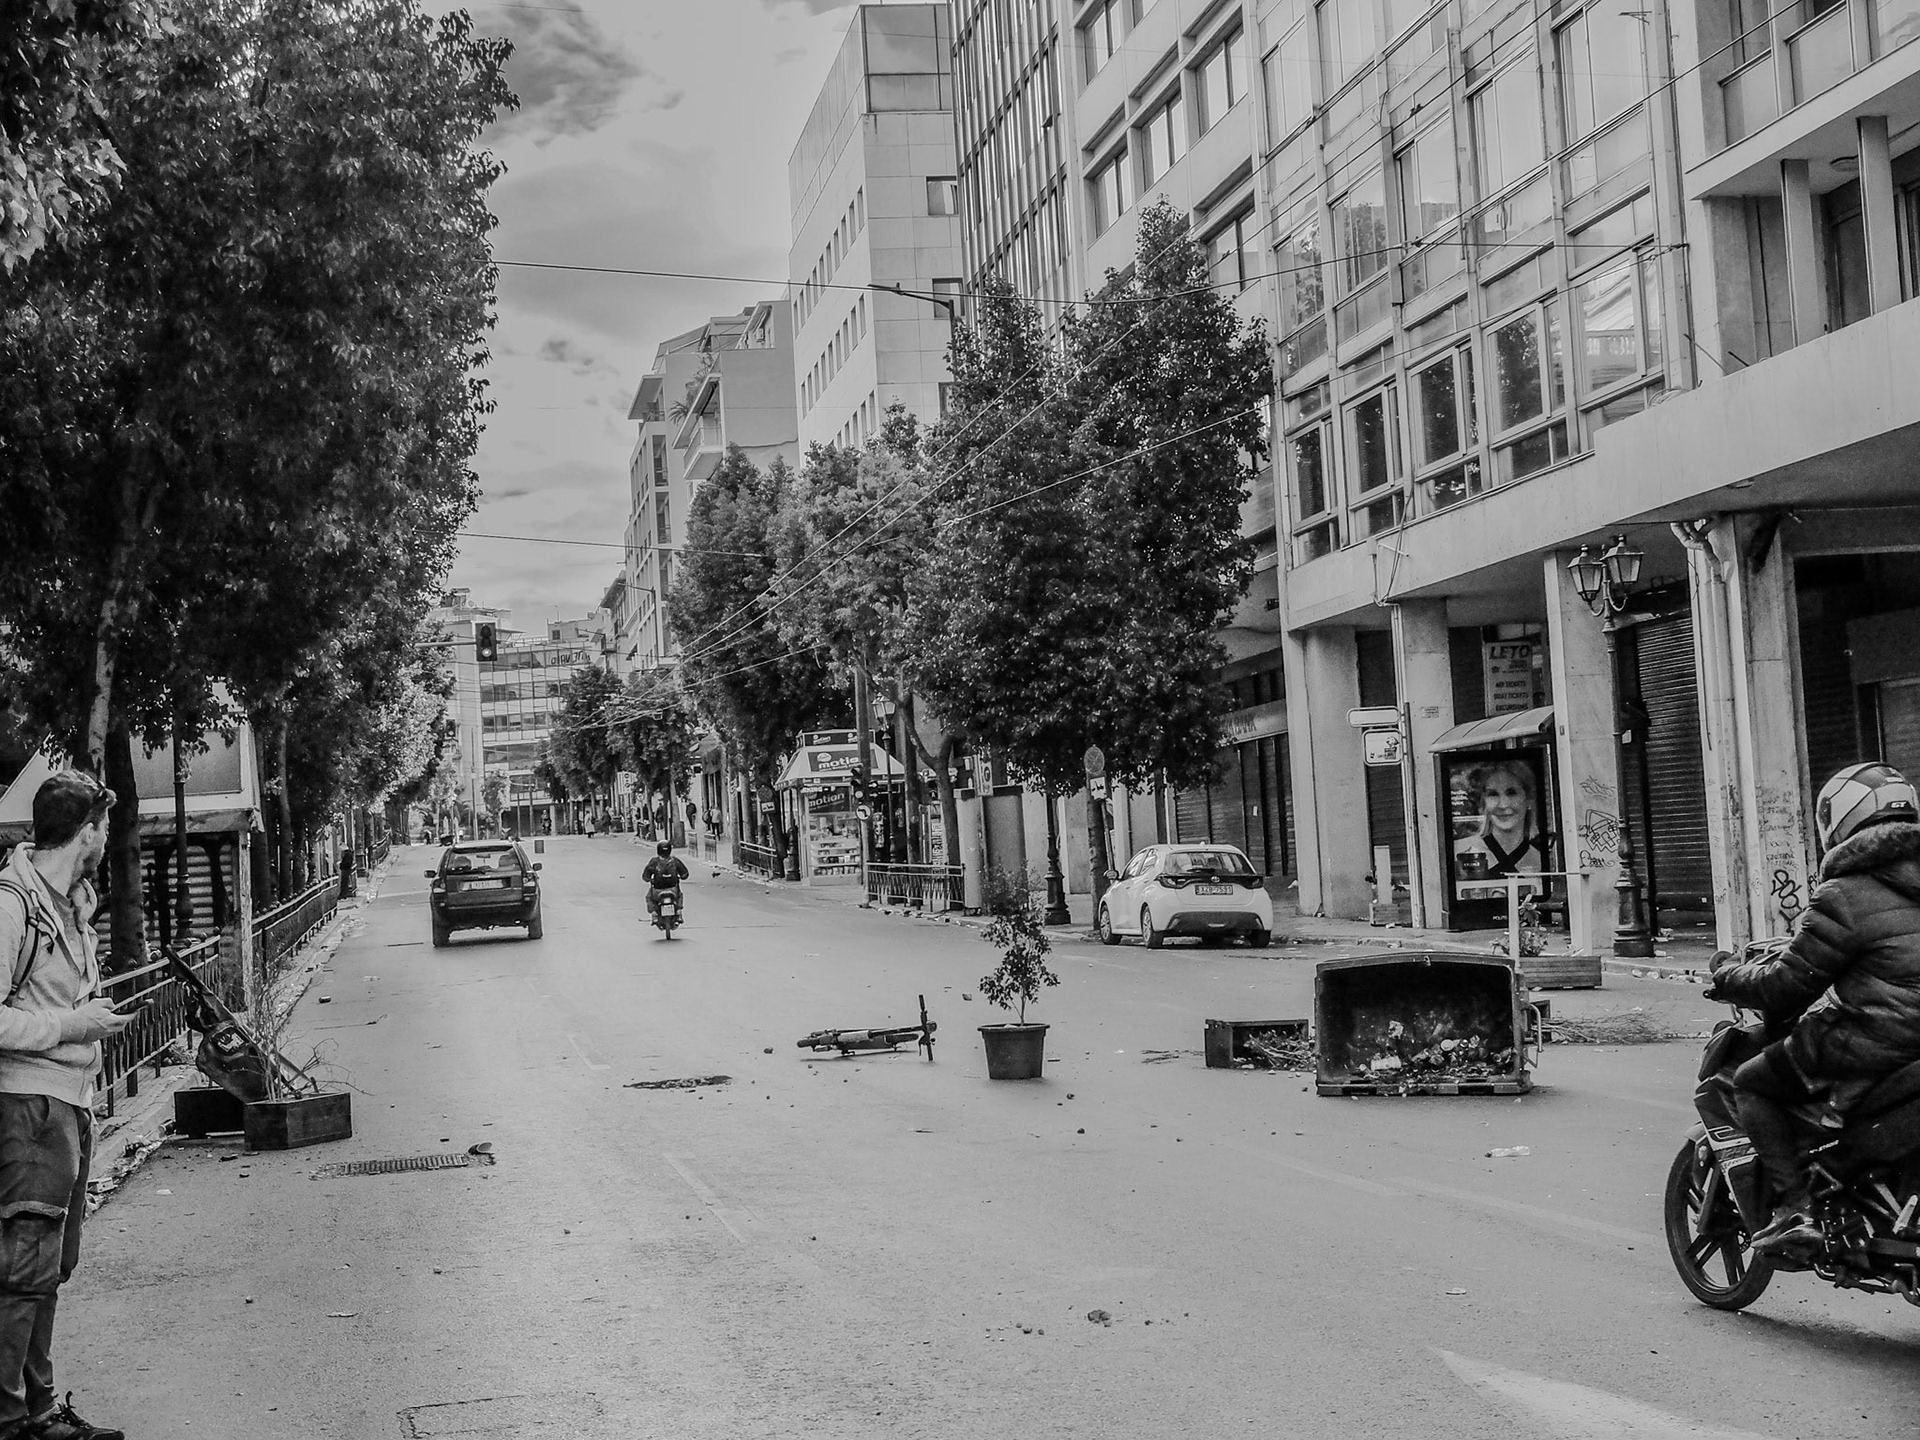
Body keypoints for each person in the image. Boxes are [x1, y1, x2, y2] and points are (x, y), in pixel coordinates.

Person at [1711, 761, 1920, 1253]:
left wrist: (1727, 977)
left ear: (1839, 822)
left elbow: (1786, 987)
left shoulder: (1844, 895)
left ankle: (1794, 1210)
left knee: (1752, 1082)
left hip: (1877, 1042)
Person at [0, 771, 137, 1440]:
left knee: (51, 1267)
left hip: (69, 1103)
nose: (108, 839)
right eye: (105, 827)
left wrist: (87, 1019)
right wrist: (72, 1025)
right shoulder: (11, 905)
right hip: (29, 1106)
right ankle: (12, 1420)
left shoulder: (70, 904)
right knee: (23, 1271)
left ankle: (38, 1409)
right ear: (86, 831)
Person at [1452, 761, 1547, 885]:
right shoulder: (1457, 852)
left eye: (1511, 793)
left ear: (1529, 799)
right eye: (1493, 794)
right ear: (1483, 802)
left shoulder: (1542, 861)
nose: (1503, 805)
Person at [642, 840, 689, 922]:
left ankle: (654, 913)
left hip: (657, 889)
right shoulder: (675, 861)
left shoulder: (654, 862)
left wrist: (648, 879)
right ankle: (679, 912)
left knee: (649, 897)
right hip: (673, 889)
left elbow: (645, 876)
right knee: (679, 895)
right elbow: (685, 874)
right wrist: (682, 876)